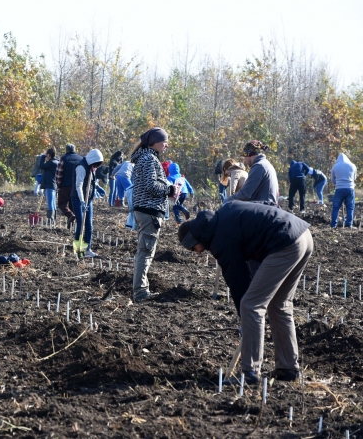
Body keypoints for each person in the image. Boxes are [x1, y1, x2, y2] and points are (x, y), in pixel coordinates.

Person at [178, 201, 313, 384]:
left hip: (284, 243)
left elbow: (238, 282)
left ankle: (249, 372)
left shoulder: (220, 240)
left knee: (251, 305)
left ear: (196, 240)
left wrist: (246, 320)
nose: (197, 253)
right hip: (302, 236)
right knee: (279, 304)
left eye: (193, 248)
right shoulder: (226, 213)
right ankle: (288, 368)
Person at [130, 127, 174, 302]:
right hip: (149, 212)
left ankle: (142, 289)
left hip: (145, 210)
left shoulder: (145, 157)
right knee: (145, 252)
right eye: (164, 141)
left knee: (144, 250)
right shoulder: (149, 159)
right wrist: (170, 189)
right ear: (155, 142)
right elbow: (151, 186)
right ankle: (140, 292)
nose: (166, 145)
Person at [71, 149, 104, 258]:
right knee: (81, 224)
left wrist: (97, 188)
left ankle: (88, 249)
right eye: (96, 164)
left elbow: (91, 183)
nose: (96, 166)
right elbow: (78, 186)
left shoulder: (91, 167)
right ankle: (78, 251)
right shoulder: (81, 167)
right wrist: (81, 201)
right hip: (78, 199)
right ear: (92, 160)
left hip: (88, 199)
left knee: (89, 225)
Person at [225, 141, 279, 205]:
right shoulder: (267, 164)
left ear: (249, 154)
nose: (244, 160)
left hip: (263, 209)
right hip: (268, 207)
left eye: (244, 155)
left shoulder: (259, 167)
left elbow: (245, 194)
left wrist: (227, 200)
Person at [55, 144, 82, 228]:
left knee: (61, 204)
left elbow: (58, 174)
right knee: (72, 205)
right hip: (76, 186)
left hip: (65, 186)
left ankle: (70, 215)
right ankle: (71, 226)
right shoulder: (81, 159)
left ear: (66, 150)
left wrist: (58, 185)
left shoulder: (63, 159)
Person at [330, 153, 357, 228]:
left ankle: (333, 225)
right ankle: (349, 224)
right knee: (350, 207)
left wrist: (338, 184)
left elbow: (332, 179)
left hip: (339, 189)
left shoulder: (335, 167)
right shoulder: (352, 166)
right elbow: (354, 178)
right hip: (350, 189)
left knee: (336, 207)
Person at [40, 147, 59, 222]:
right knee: (53, 202)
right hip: (54, 184)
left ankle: (50, 219)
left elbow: (41, 165)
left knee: (50, 202)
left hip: (50, 185)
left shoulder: (51, 163)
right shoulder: (56, 162)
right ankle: (53, 219)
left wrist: (43, 156)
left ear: (49, 155)